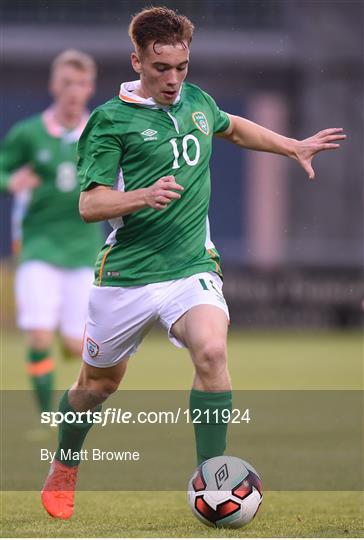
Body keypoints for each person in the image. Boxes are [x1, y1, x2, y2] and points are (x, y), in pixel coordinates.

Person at [41, 7, 346, 520]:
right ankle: (65, 463)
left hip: (190, 267)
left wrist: (291, 146)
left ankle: (214, 478)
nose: (174, 79)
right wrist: (141, 196)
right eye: (162, 68)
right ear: (137, 60)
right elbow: (90, 204)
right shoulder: (110, 121)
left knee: (211, 351)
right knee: (96, 387)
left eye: (182, 67)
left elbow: (230, 128)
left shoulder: (196, 101)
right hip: (127, 275)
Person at [0, 50, 103, 418]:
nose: (72, 91)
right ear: (53, 86)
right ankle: (47, 414)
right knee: (39, 335)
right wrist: (10, 180)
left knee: (78, 347)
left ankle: (68, 353)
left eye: (79, 84)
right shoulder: (28, 133)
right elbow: (2, 169)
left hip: (83, 248)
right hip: (38, 247)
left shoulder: (99, 132)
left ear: (89, 87)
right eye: (66, 83)